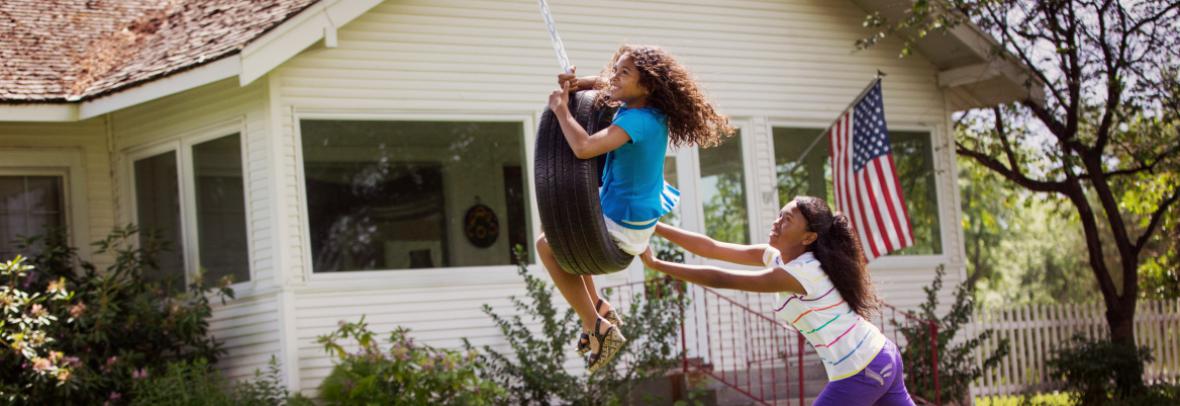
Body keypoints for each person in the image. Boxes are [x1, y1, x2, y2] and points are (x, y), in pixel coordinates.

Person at [538, 44, 732, 373]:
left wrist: (561, 110)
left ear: (647, 85)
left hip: (625, 224)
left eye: (623, 72)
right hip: (634, 217)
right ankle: (599, 306)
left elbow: (584, 148)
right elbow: (606, 86)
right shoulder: (648, 110)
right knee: (572, 238)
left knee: (548, 245)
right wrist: (580, 84)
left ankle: (596, 324)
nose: (613, 76)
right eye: (615, 68)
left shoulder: (639, 121)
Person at [640, 196, 914, 405]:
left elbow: (723, 279)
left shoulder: (804, 273)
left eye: (787, 220)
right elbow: (711, 247)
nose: (777, 222)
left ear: (808, 237)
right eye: (780, 215)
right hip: (879, 355)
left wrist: (658, 264)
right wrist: (654, 225)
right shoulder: (776, 257)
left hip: (860, 367)